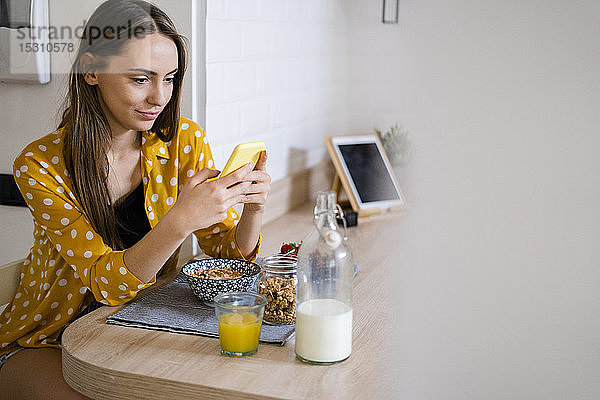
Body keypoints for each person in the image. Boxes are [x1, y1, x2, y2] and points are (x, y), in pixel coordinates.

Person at [0, 1, 270, 398]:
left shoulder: (183, 140)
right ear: (91, 69)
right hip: (45, 340)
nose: (158, 98)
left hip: (136, 323)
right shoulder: (40, 164)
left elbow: (227, 259)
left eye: (170, 78)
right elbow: (105, 283)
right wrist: (179, 221)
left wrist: (253, 210)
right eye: (141, 79)